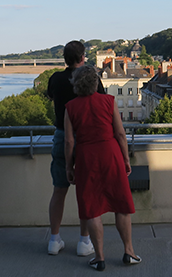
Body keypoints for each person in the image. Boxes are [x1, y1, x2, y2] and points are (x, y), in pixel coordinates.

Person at [64, 65, 140, 271]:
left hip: (87, 158)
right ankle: (129, 252)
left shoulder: (70, 107)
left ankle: (99, 258)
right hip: (111, 153)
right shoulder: (109, 101)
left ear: (76, 84)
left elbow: (69, 142)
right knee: (121, 205)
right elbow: (121, 134)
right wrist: (125, 159)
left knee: (92, 208)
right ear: (96, 83)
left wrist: (69, 166)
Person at [45, 40, 103, 257]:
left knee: (59, 189)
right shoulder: (92, 79)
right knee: (86, 192)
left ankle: (54, 240)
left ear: (65, 59)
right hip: (88, 137)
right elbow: (101, 101)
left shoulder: (56, 79)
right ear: (83, 57)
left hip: (62, 135)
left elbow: (51, 96)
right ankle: (84, 241)